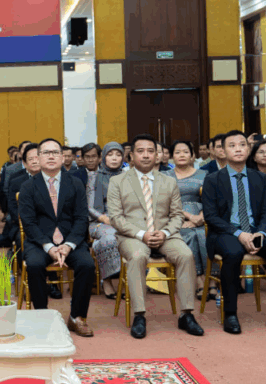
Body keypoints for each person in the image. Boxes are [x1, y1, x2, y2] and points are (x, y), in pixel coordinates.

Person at [107, 134, 202, 339]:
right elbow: (115, 217)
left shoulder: (169, 181)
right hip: (132, 236)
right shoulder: (117, 181)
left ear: (157, 155)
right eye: (140, 151)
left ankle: (187, 314)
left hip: (165, 234)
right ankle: (139, 315)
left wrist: (165, 232)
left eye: (151, 151)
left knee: (186, 255)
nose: (146, 155)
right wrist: (142, 234)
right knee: (138, 256)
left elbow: (177, 215)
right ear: (131, 156)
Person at [202, 132, 266, 334]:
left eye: (242, 144)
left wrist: (261, 233)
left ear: (249, 149)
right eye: (232, 145)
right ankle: (230, 313)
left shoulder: (259, 178)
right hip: (225, 232)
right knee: (233, 253)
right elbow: (211, 217)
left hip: (255, 231)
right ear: (223, 151)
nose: (238, 149)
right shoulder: (212, 179)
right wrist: (239, 234)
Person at [18, 138, 97, 336]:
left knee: (87, 265)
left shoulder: (76, 183)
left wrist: (69, 245)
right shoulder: (28, 186)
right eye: (46, 152)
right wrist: (49, 247)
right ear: (38, 158)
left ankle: (77, 317)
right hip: (40, 241)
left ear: (63, 157)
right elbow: (29, 223)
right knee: (34, 265)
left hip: (71, 240)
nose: (51, 156)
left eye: (55, 152)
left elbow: (81, 218)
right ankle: (42, 317)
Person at [165, 141, 208, 297]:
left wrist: (201, 217)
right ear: (172, 156)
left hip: (202, 217)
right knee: (190, 235)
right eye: (177, 152)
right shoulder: (165, 176)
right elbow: (165, 202)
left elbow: (210, 200)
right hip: (175, 217)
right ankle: (200, 281)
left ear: (192, 155)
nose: (182, 155)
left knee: (205, 234)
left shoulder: (204, 174)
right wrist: (189, 217)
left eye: (185, 152)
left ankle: (211, 280)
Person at [88, 142, 123, 299]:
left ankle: (132, 282)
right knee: (110, 237)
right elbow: (89, 207)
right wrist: (105, 218)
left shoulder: (128, 177)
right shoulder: (94, 177)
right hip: (100, 220)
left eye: (118, 155)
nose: (114, 158)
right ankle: (107, 280)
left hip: (124, 219)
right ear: (103, 157)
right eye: (110, 154)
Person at [0, 143, 40, 250]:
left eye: (37, 158)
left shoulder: (51, 179)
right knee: (21, 240)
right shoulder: (16, 181)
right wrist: (28, 224)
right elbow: (13, 207)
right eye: (30, 159)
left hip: (48, 224)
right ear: (25, 163)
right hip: (23, 224)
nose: (34, 161)